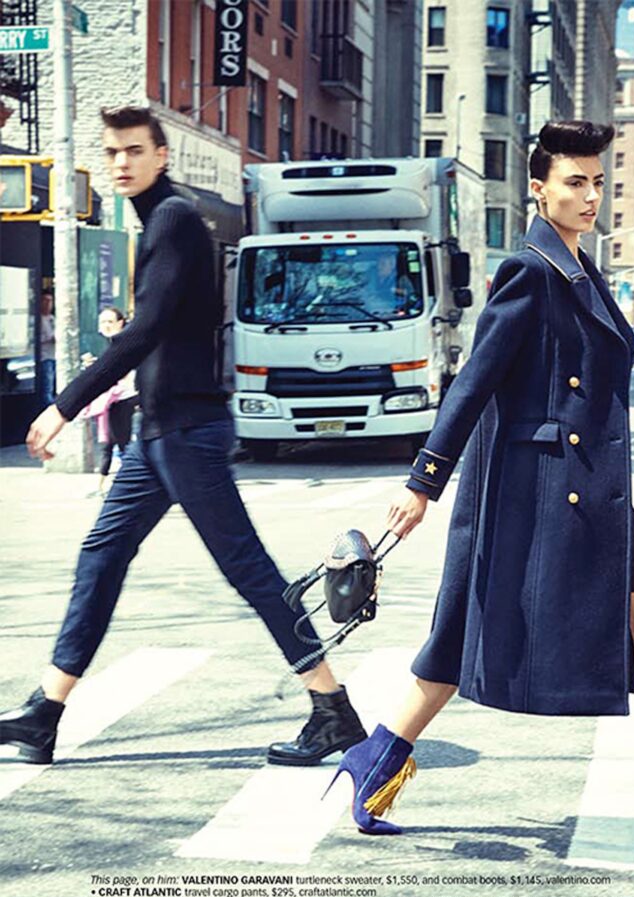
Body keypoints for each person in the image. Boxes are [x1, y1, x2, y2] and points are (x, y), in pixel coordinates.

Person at [326, 121, 634, 862]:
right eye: (574, 182)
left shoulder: (578, 267)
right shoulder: (530, 270)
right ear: (539, 189)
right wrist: (424, 479)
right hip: (544, 491)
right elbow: (475, 379)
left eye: (597, 183)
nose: (590, 196)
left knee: (596, 623)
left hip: (578, 485)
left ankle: (377, 756)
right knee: (489, 628)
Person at [0, 106, 365, 768]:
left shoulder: (173, 219)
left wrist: (65, 405)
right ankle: (45, 714)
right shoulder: (162, 221)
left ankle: (332, 708)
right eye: (113, 152)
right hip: (158, 434)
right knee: (100, 558)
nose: (121, 163)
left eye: (134, 150)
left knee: (249, 569)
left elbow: (146, 329)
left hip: (188, 432)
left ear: (161, 156)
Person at [80, 307, 139, 497]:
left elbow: (122, 370)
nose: (106, 326)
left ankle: (130, 485)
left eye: (110, 322)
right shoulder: (113, 343)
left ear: (120, 323)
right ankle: (103, 486)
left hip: (123, 397)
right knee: (109, 444)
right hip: (114, 398)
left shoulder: (124, 343)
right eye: (103, 322)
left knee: (122, 444)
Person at [39, 290, 56, 407]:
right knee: (47, 388)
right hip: (44, 357)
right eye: (45, 300)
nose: (48, 303)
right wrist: (49, 338)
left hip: (54, 356)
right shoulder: (37, 319)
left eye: (50, 301)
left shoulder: (53, 318)